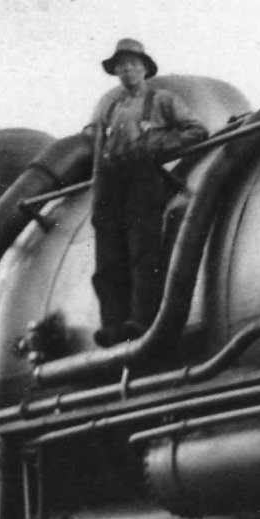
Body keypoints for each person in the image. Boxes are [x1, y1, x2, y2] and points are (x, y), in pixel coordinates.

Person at [84, 37, 208, 344]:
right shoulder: (109, 106)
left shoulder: (162, 100)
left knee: (143, 250)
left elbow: (196, 130)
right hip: (111, 181)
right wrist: (98, 194)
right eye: (121, 66)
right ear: (116, 72)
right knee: (108, 258)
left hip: (144, 176)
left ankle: (141, 319)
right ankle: (111, 324)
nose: (127, 71)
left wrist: (157, 146)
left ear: (144, 69)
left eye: (132, 65)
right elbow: (99, 151)